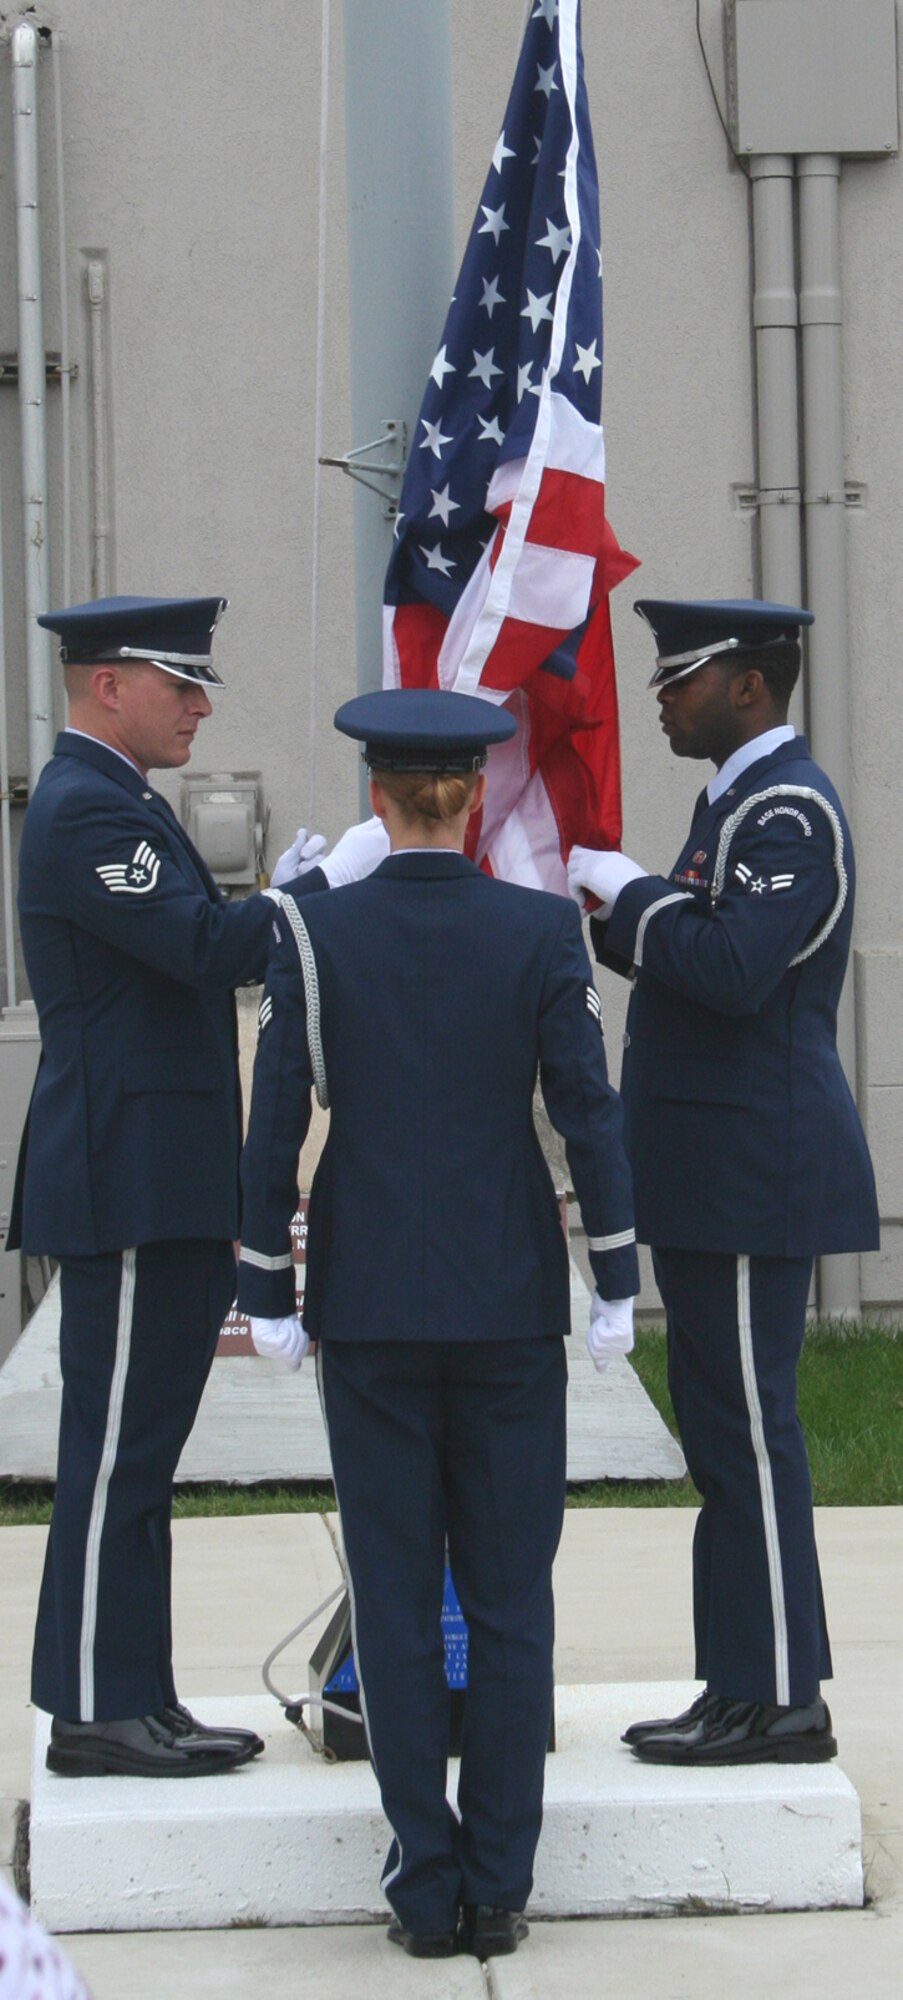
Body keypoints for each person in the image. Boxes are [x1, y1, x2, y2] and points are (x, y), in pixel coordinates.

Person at [236, 687, 639, 1959]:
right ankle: (499, 1885)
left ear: (377, 796)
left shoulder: (312, 929)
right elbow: (587, 1105)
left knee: (400, 1600)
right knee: (514, 1598)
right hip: (509, 1300)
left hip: (368, 1305)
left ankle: (423, 1886)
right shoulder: (535, 930)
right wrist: (616, 1273)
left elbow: (272, 1121)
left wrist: (265, 1289)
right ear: (471, 797)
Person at [8, 593, 380, 1779]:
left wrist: (277, 897)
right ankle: (90, 1708)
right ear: (107, 683)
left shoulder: (119, 805)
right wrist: (309, 896)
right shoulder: (81, 809)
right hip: (124, 1174)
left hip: (158, 1176)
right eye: (181, 682)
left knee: (143, 1453)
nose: (200, 703)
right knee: (115, 1452)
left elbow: (198, 933)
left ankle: (137, 1695)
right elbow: (207, 947)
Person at [568, 597, 879, 1767]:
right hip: (713, 1171)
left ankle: (786, 1694)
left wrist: (633, 894)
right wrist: (606, 907)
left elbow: (735, 968)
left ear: (749, 684)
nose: (660, 694)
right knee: (718, 1436)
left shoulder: (788, 810)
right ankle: (740, 1682)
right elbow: (689, 947)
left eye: (680, 676)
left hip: (757, 1171)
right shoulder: (735, 802)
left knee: (750, 1435)